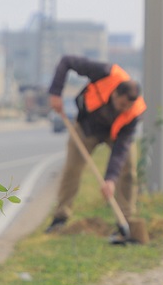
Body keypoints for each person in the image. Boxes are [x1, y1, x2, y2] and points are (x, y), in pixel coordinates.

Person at [42, 55, 147, 243]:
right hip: (87, 127)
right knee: (72, 169)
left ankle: (126, 222)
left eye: (128, 106)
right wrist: (55, 93)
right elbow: (66, 61)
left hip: (115, 134)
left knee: (128, 170)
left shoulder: (134, 112)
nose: (125, 109)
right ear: (115, 94)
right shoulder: (105, 72)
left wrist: (110, 180)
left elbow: (121, 149)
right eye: (122, 104)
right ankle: (60, 217)